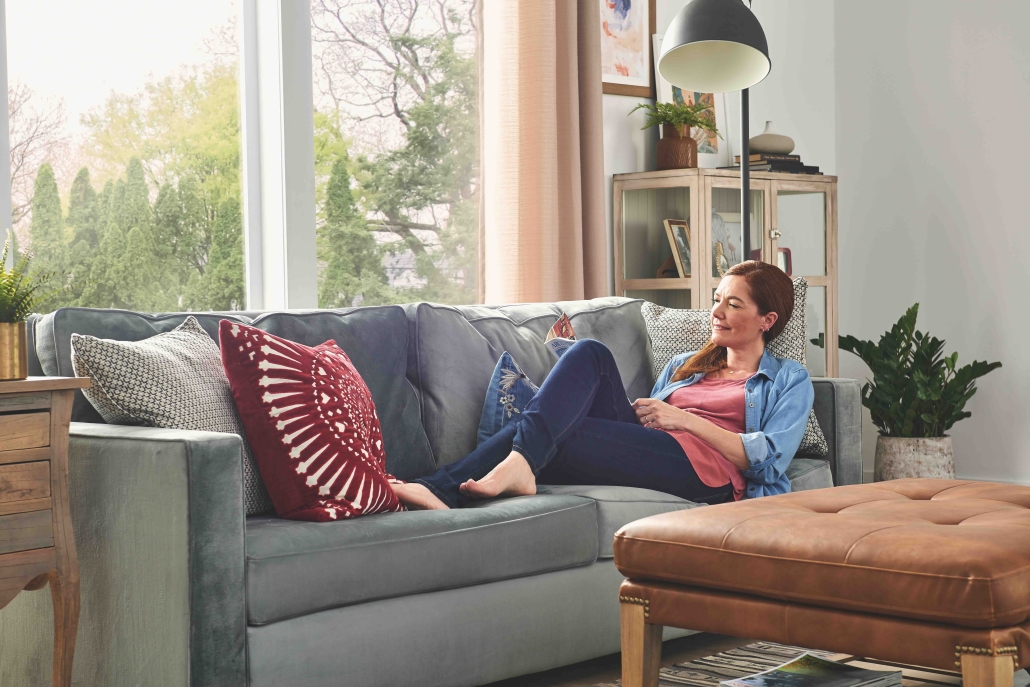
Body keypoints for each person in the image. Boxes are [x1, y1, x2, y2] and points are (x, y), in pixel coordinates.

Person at [392, 260, 814, 511]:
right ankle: (504, 468)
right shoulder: (686, 365)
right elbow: (645, 428)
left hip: (710, 475)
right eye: (717, 298)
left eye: (733, 304)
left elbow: (765, 459)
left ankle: (441, 487)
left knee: (560, 432)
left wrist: (681, 417)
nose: (716, 311)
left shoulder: (788, 380)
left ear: (767, 320)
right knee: (589, 353)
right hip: (654, 445)